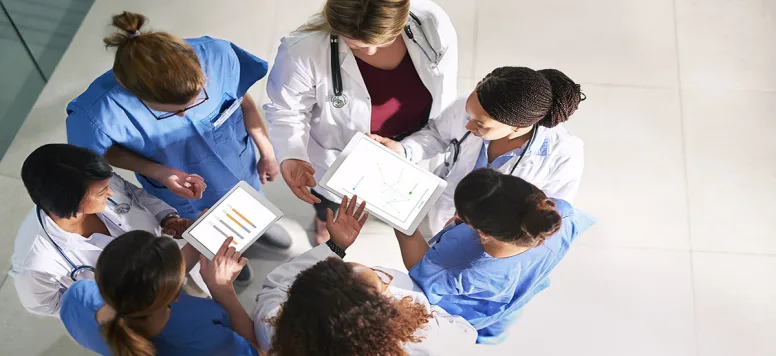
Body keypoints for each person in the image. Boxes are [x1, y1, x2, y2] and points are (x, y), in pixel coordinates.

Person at [65, 12, 292, 283]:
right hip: (181, 189)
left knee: (252, 199)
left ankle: (256, 229)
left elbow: (240, 99)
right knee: (208, 228)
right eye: (172, 112)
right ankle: (229, 253)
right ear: (129, 88)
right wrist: (159, 172)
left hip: (239, 160)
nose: (186, 115)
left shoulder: (218, 55)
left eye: (195, 102)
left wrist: (265, 147)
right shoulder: (97, 112)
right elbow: (101, 153)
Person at [265, 0, 459, 245]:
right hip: (341, 154)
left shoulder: (431, 22)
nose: (369, 52)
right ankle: (326, 221)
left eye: (383, 41)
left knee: (397, 195)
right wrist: (292, 154)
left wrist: (414, 146)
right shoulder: (301, 51)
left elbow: (447, 88)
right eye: (355, 43)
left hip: (414, 140)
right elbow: (287, 110)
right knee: (334, 203)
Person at [370, 66, 586, 234]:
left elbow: (552, 214)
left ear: (518, 127)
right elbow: (437, 134)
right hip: (438, 209)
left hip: (489, 240)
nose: (468, 126)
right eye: (468, 116)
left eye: (480, 125)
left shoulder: (563, 153)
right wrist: (404, 149)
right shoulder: (469, 106)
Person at [253, 196, 477, 355]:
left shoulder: (274, 326)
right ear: (380, 312)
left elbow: (277, 285)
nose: (385, 277)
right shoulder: (422, 339)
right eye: (382, 281)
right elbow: (466, 333)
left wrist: (336, 246)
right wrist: (423, 309)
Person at [395, 169, 596, 344]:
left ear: (481, 232)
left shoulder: (460, 258)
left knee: (464, 329)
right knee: (495, 328)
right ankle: (490, 339)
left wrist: (401, 221)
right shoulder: (560, 213)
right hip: (520, 292)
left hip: (459, 312)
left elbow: (419, 269)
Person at [9, 144, 196, 317]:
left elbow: (135, 195)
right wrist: (109, 311)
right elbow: (45, 305)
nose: (111, 193)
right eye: (102, 192)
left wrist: (166, 218)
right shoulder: (36, 263)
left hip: (175, 266)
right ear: (70, 203)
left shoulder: (99, 181)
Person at [60, 231, 262, 356]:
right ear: (175, 294)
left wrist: (193, 247)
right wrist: (222, 288)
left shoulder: (78, 298)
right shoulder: (201, 337)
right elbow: (261, 351)